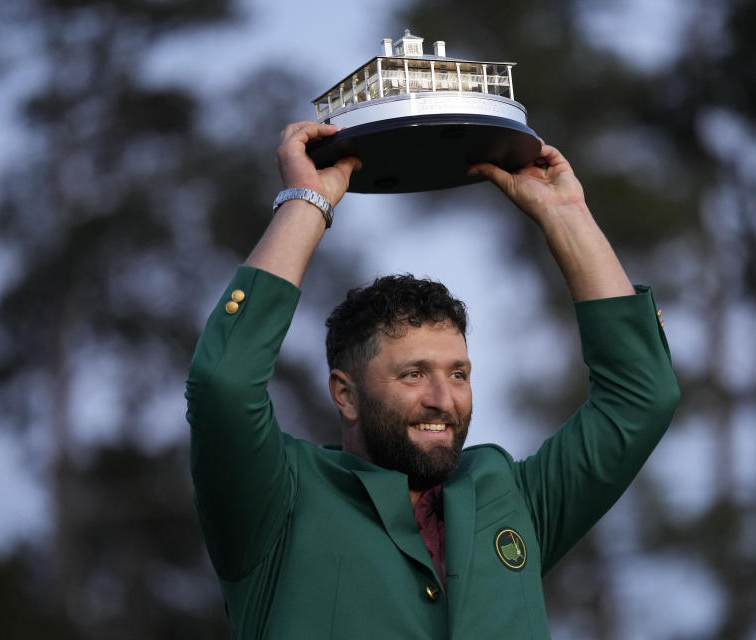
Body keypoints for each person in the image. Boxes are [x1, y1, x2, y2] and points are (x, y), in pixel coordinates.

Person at [185, 121, 679, 639]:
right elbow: (224, 383)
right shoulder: (278, 502)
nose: (442, 399)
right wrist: (306, 201)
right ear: (345, 394)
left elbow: (642, 396)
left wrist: (566, 215)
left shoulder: (511, 498)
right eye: (413, 374)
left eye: (459, 374)